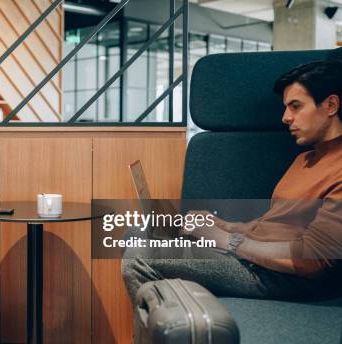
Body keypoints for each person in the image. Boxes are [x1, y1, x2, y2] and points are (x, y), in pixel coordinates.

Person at [122, 60, 342, 302]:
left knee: (139, 256)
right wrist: (226, 226)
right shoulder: (304, 159)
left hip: (280, 278)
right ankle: (178, 324)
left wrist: (226, 240)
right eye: (286, 108)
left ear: (331, 105)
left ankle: (159, 334)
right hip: (253, 256)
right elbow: (275, 222)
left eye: (295, 106)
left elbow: (311, 261)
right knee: (140, 231)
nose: (285, 117)